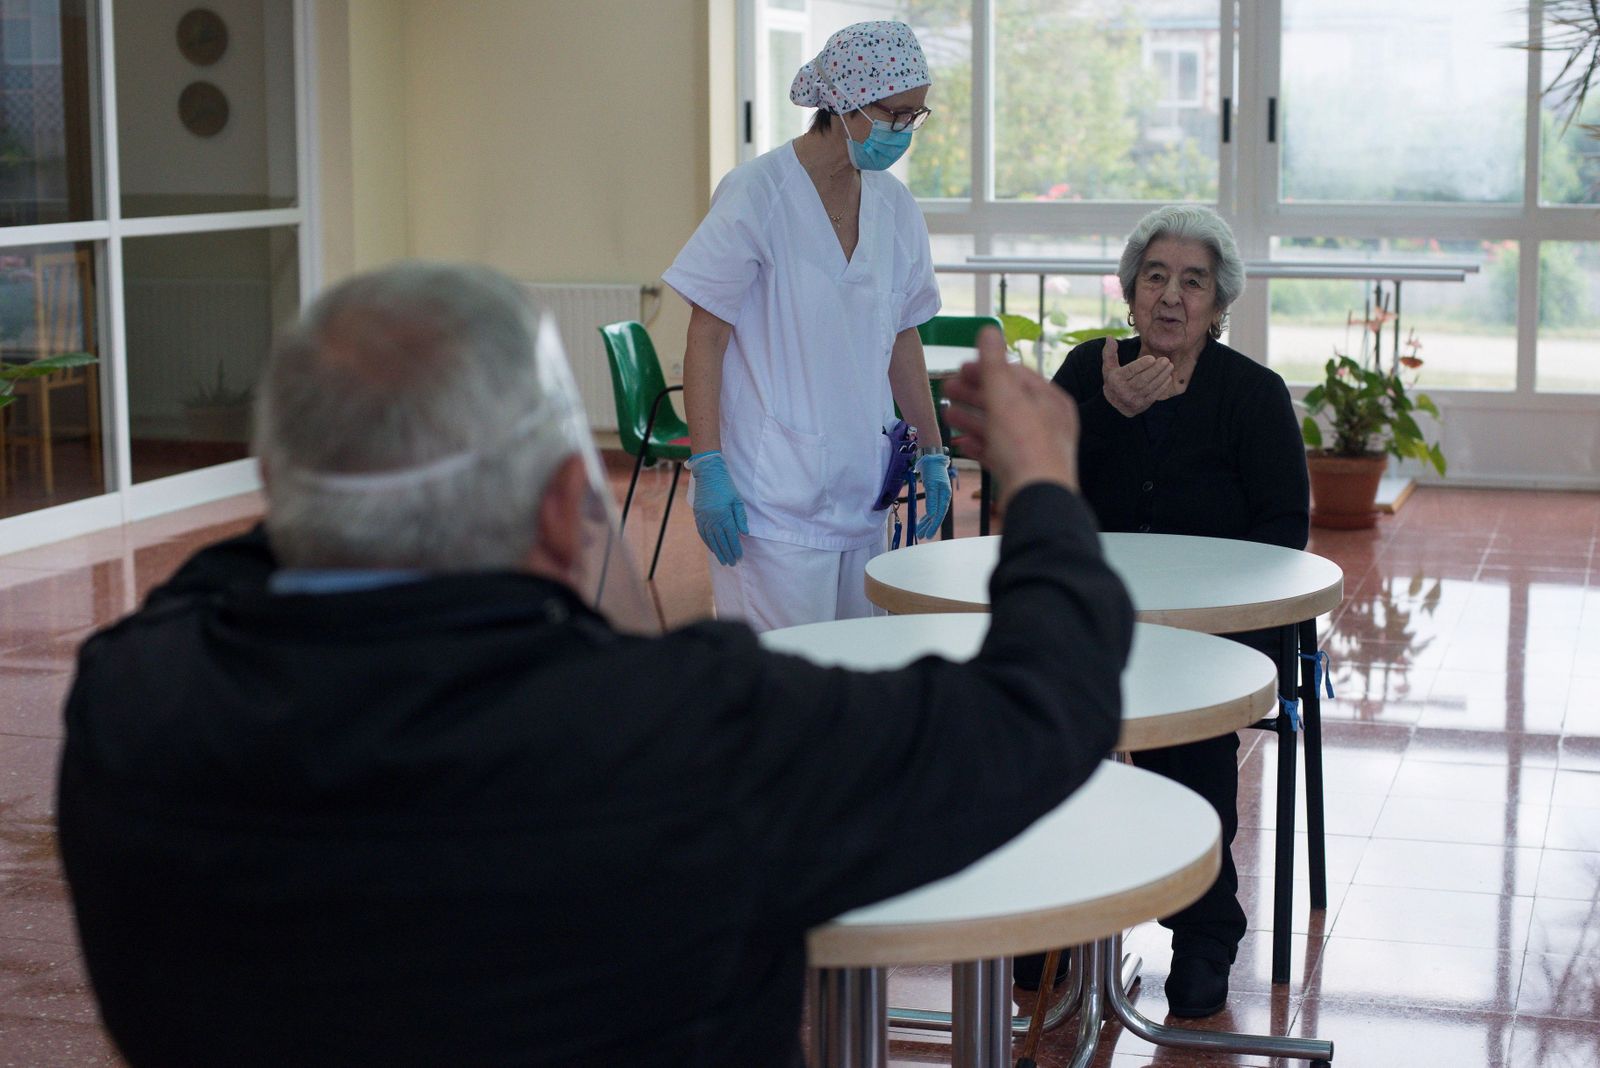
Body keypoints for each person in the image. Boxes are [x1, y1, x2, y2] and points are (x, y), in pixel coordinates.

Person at [56, 262, 1136, 1067]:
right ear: (565, 510)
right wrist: (1041, 483)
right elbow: (1045, 702)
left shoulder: (134, 700)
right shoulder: (689, 741)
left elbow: (235, 573)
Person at [1025, 204, 1309, 1018]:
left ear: (1220, 306)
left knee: (1189, 735)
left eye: (1193, 282)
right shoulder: (1087, 371)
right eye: (1155, 278)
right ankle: (1054, 915)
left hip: (1208, 635)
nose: (1172, 297)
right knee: (1041, 718)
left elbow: (1286, 526)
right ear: (1129, 292)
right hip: (1092, 619)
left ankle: (1205, 930)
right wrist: (1105, 415)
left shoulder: (1252, 395)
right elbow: (1031, 481)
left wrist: (1227, 634)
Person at [663, 19, 949, 633]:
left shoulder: (894, 207)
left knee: (856, 680)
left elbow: (903, 336)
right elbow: (705, 336)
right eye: (894, 114)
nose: (904, 131)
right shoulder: (756, 194)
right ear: (843, 103)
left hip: (864, 492)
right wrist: (706, 465)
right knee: (783, 694)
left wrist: (932, 450)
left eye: (915, 117)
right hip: (771, 502)